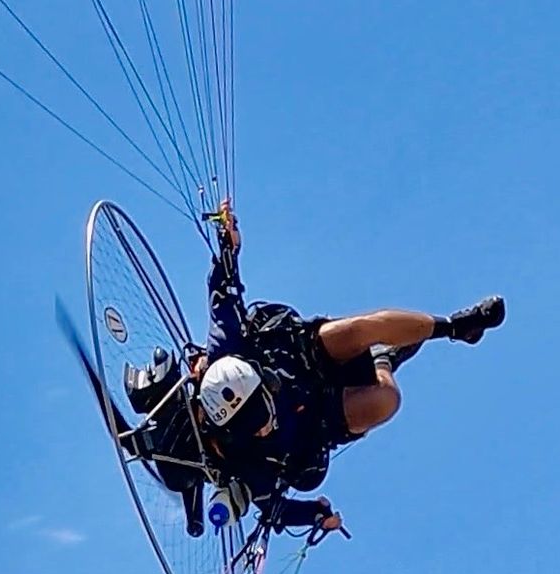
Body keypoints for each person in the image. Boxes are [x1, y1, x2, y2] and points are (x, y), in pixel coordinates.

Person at [180, 199, 504, 539]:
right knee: (386, 401)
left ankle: (455, 327)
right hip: (316, 419)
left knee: (362, 329)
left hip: (294, 356)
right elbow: (275, 509)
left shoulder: (226, 347)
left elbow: (224, 291)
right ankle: (385, 359)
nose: (263, 427)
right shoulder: (249, 464)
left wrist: (229, 244)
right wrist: (318, 515)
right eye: (254, 425)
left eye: (262, 409)